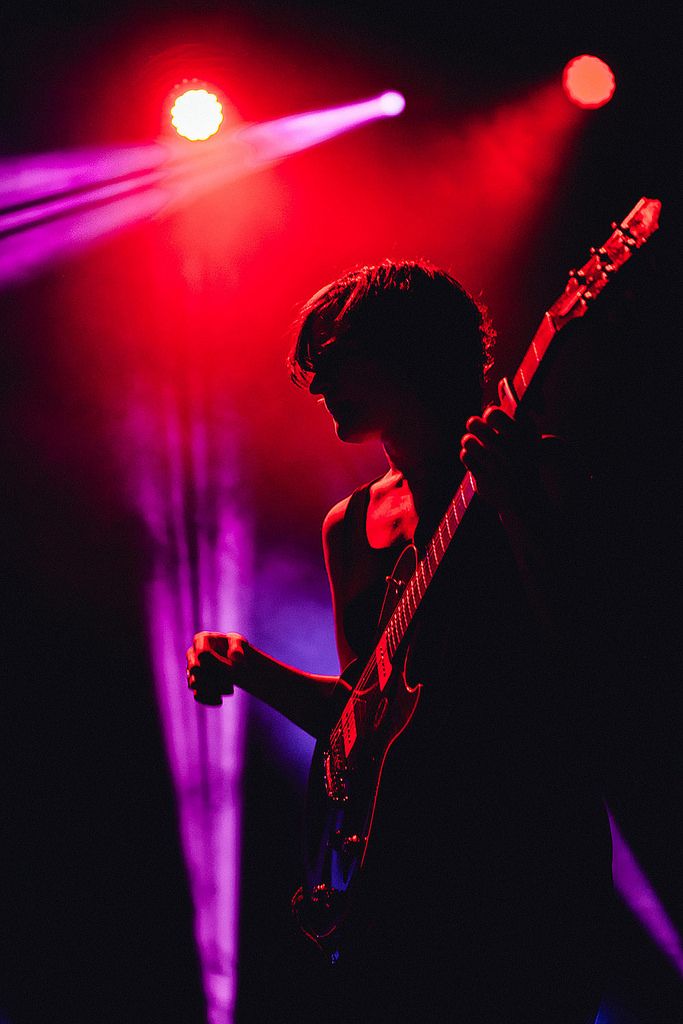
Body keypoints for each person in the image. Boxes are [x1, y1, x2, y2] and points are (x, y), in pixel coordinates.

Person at [186, 261, 614, 1023]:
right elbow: (362, 724)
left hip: (526, 858)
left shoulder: (532, 469)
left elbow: (597, 655)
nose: (318, 387)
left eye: (339, 361)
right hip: (407, 889)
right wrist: (249, 666)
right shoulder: (348, 526)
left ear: (407, 354)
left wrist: (518, 511)